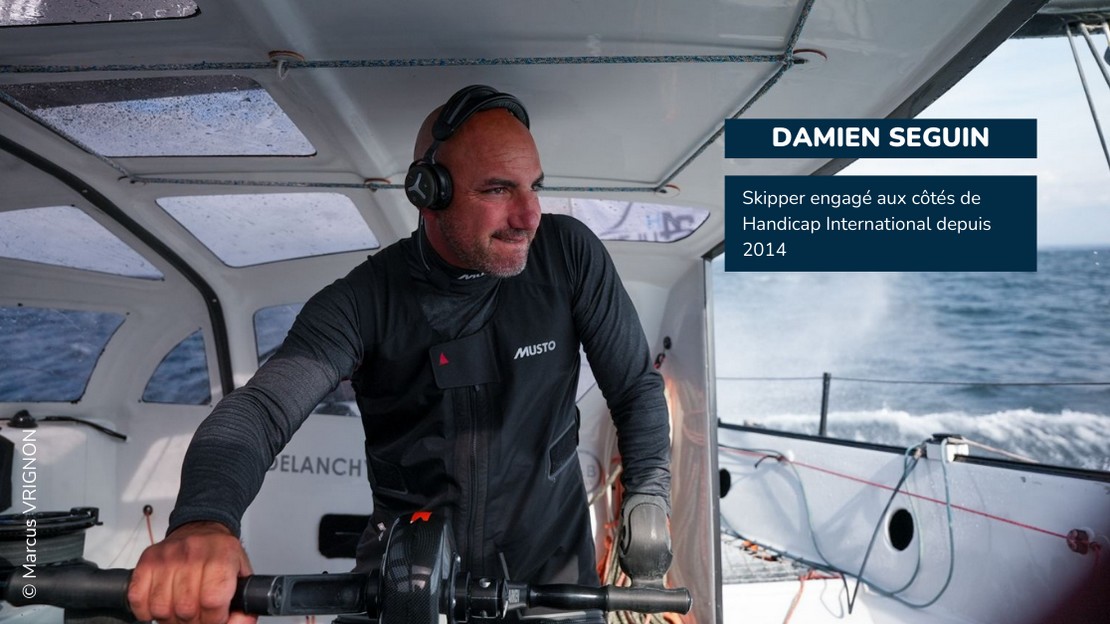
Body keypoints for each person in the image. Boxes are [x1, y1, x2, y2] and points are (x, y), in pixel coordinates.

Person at [128, 85, 673, 624]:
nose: (529, 215)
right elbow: (261, 411)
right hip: (404, 588)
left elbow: (633, 387)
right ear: (428, 192)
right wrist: (204, 521)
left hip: (552, 587)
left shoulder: (568, 255)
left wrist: (648, 493)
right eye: (498, 190)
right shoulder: (364, 301)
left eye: (535, 186)